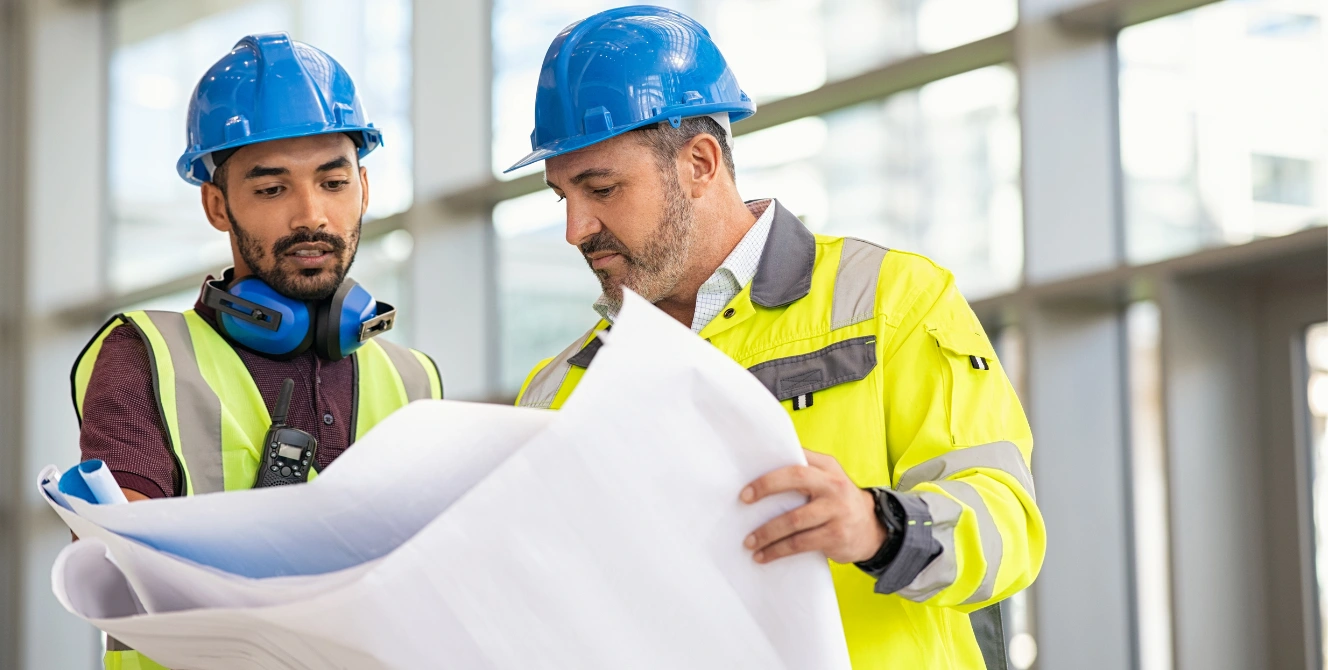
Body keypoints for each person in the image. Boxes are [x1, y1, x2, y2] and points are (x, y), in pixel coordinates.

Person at [509, 7, 1043, 668]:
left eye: (602, 189)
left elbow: (1008, 529)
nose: (576, 229)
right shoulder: (558, 390)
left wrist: (879, 526)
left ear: (699, 164)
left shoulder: (893, 301)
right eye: (563, 196)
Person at [72, 32, 441, 670]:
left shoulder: (416, 382)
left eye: (333, 182)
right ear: (218, 205)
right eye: (272, 190)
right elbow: (136, 587)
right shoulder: (146, 355)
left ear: (365, 189)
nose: (312, 215)